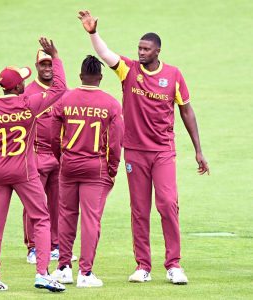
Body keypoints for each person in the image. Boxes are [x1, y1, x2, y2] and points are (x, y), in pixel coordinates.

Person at [78, 10, 210, 284]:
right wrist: (92, 33)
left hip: (163, 151)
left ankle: (174, 265)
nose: (140, 52)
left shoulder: (173, 75)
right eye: (139, 48)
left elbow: (187, 111)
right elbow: (106, 55)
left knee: (167, 204)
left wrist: (198, 149)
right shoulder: (129, 70)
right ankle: (143, 266)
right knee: (139, 210)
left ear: (157, 51)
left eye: (146, 49)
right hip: (135, 151)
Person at [0, 37, 67, 292]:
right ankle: (42, 273)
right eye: (23, 79)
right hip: (24, 171)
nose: (27, 81)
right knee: (42, 219)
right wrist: (55, 57)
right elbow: (59, 89)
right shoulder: (29, 104)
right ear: (20, 86)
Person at [50, 55, 124, 288]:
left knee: (66, 216)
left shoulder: (65, 100)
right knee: (91, 219)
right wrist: (112, 169)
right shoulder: (111, 104)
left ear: (80, 76)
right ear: (100, 78)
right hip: (96, 168)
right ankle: (86, 272)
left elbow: (53, 136)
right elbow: (115, 142)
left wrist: (61, 159)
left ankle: (63, 268)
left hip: (69, 166)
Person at [22, 49, 77, 264]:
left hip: (59, 156)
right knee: (34, 204)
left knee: (58, 203)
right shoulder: (28, 92)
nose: (47, 69)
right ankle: (34, 247)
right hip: (35, 155)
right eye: (43, 64)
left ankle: (55, 245)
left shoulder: (65, 92)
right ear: (36, 66)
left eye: (50, 64)